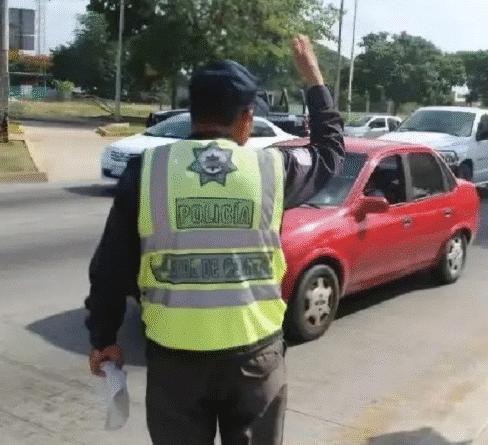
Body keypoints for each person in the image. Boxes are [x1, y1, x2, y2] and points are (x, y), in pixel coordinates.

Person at [85, 35, 344, 445]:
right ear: (247, 118)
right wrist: (313, 78)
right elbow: (330, 152)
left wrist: (103, 338)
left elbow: (111, 266)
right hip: (255, 360)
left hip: (174, 364)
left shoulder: (147, 170)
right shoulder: (273, 169)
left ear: (193, 113)